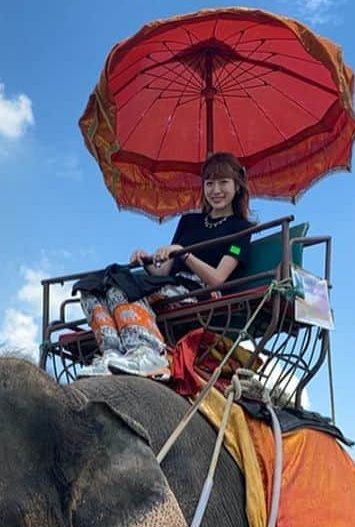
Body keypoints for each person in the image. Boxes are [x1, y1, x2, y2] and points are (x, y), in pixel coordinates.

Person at [77, 152, 256, 379]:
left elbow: (217, 279)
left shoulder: (241, 229)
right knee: (99, 284)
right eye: (209, 183)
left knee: (126, 288)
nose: (216, 190)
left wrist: (184, 253)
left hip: (199, 292)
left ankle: (147, 351)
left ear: (237, 186)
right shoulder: (189, 222)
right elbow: (164, 271)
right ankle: (112, 351)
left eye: (223, 182)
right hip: (170, 284)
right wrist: (147, 260)